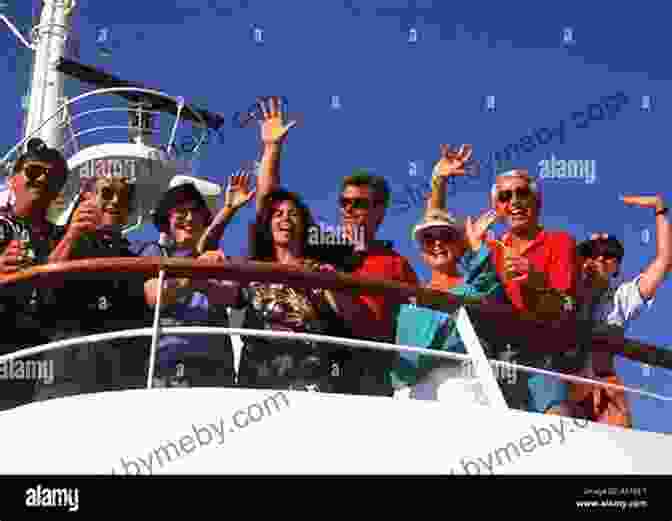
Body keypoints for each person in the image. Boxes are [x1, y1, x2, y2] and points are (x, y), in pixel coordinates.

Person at [252, 96, 418, 396]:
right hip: (323, 370)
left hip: (374, 377)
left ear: (380, 210)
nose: (348, 210)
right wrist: (272, 149)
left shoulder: (395, 263)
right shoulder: (324, 243)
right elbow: (270, 207)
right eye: (344, 203)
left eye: (359, 204)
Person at [392, 145, 514, 404]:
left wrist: (477, 249)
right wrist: (437, 182)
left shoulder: (475, 288)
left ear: (459, 245)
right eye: (428, 239)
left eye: (446, 237)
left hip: (464, 389)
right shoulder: (411, 296)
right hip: (410, 395)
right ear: (421, 251)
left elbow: (491, 290)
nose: (437, 243)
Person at [238, 187, 373, 392]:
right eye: (277, 214)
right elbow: (221, 295)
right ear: (267, 225)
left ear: (303, 225)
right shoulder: (253, 270)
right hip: (258, 382)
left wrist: (330, 288)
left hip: (313, 386)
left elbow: (354, 321)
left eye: (293, 214)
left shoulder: (318, 270)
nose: (285, 219)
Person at [33, 171, 149, 400]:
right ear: (87, 197)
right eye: (107, 193)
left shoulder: (136, 259)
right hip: (67, 369)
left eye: (124, 198)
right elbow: (43, 287)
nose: (116, 201)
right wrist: (72, 234)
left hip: (124, 377)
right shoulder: (57, 238)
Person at [569, 195, 672, 427]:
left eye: (609, 254)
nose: (601, 258)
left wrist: (660, 209)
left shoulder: (622, 297)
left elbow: (665, 261)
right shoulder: (567, 285)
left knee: (621, 445)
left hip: (606, 383)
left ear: (617, 267)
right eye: (593, 253)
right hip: (568, 380)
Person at [486, 169, 581, 416]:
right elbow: (438, 243)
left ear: (537, 200)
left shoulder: (560, 242)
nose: (515, 201)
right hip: (496, 359)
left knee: (557, 426)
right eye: (505, 196)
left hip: (544, 357)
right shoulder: (489, 250)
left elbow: (565, 306)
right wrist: (439, 182)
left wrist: (538, 282)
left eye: (522, 193)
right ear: (497, 207)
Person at [141, 180, 240, 388]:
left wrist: (197, 274)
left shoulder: (216, 257)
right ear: (167, 220)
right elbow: (154, 296)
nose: (189, 218)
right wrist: (198, 273)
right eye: (180, 212)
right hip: (164, 371)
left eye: (195, 212)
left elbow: (232, 295)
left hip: (216, 371)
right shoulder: (154, 253)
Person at [0, 138, 70, 409]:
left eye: (52, 177)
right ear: (13, 179)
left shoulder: (66, 237)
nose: (42, 179)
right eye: (33, 171)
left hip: (42, 357)